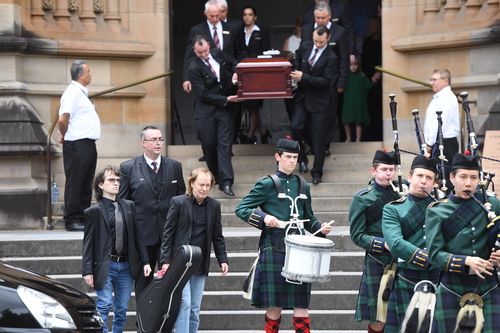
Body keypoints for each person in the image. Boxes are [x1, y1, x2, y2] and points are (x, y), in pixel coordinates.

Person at [235, 139, 332, 333]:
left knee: (302, 305)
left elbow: (309, 217)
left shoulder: (303, 185)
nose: (292, 161)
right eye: (288, 157)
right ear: (277, 157)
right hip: (274, 247)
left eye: (295, 157)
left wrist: (320, 228)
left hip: (300, 249)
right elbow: (242, 208)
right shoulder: (266, 184)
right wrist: (264, 217)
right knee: (274, 306)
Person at [425, 153, 500, 333]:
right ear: (452, 177)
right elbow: (434, 255)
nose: (468, 183)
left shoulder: (493, 204)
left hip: (488, 284)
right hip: (452, 285)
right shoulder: (437, 211)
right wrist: (465, 261)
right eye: (463, 177)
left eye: (474, 177)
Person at [82, 166, 151, 333]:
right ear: (100, 184)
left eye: (118, 180)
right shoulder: (93, 212)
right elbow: (88, 243)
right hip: (105, 264)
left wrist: (146, 261)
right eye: (111, 180)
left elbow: (137, 237)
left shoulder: (129, 206)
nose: (116, 183)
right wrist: (87, 270)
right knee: (104, 304)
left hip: (126, 266)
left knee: (121, 310)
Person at [118, 126, 185, 297]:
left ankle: (165, 321)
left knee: (170, 282)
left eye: (161, 139)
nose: (158, 143)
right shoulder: (128, 168)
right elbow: (124, 203)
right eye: (154, 139)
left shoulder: (174, 166)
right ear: (143, 143)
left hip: (168, 235)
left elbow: (181, 200)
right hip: (142, 235)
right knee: (143, 284)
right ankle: (144, 323)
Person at [160, 167, 228, 333]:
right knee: (185, 303)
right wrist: (165, 261)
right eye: (201, 184)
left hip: (200, 262)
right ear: (192, 183)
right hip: (180, 262)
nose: (204, 188)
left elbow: (217, 236)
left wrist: (223, 259)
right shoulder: (178, 202)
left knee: (195, 307)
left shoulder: (214, 205)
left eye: (208, 185)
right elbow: (168, 234)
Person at [382, 156, 440, 332]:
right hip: (408, 274)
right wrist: (432, 257)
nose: (424, 181)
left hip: (439, 277)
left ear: (434, 183)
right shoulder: (393, 209)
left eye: (429, 178)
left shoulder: (442, 209)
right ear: (410, 176)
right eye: (420, 176)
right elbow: (395, 243)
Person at [349, 150, 400, 333]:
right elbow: (357, 235)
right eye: (384, 169)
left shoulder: (402, 193)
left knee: (399, 314)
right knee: (379, 316)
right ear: (373, 171)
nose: (388, 173)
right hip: (377, 260)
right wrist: (382, 244)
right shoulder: (362, 198)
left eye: (392, 169)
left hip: (403, 259)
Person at [187, 35, 238, 196]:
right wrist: (226, 99)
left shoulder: (217, 53)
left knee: (224, 145)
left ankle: (227, 181)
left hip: (223, 110)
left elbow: (235, 63)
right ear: (194, 50)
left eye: (205, 51)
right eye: (199, 52)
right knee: (209, 144)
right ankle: (215, 174)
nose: (203, 55)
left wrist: (236, 73)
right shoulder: (193, 67)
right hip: (206, 110)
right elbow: (202, 94)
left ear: (209, 45)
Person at [291, 25, 338, 185]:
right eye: (315, 41)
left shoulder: (331, 57)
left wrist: (303, 77)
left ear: (328, 39)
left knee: (319, 140)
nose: (317, 44)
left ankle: (317, 172)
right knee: (295, 127)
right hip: (302, 98)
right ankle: (302, 158)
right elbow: (296, 63)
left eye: (321, 42)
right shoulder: (305, 47)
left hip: (319, 102)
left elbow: (325, 81)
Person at [57, 59, 100, 231]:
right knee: (76, 181)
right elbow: (63, 117)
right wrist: (63, 133)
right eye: (88, 71)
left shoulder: (81, 93)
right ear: (81, 75)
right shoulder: (72, 93)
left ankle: (82, 216)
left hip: (87, 143)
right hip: (77, 143)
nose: (90, 74)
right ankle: (72, 218)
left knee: (85, 181)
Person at [300, 2, 349, 151]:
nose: (320, 20)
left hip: (330, 82)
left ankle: (324, 145)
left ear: (330, 16)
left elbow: (343, 59)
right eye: (317, 17)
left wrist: (341, 83)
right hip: (309, 80)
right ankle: (311, 144)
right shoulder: (307, 29)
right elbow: (302, 53)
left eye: (323, 17)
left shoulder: (339, 32)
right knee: (307, 114)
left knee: (329, 115)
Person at [182, 0, 237, 94]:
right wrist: (186, 78)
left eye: (217, 15)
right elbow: (189, 56)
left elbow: (238, 52)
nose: (215, 19)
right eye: (211, 16)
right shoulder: (197, 30)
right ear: (205, 13)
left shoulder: (232, 28)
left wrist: (237, 71)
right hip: (207, 78)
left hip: (230, 77)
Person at [235, 6, 271, 144]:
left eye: (250, 14)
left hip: (258, 74)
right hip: (243, 73)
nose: (247, 17)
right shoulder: (239, 32)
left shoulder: (262, 32)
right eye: (245, 14)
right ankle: (262, 131)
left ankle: (250, 135)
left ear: (255, 17)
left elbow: (267, 53)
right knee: (247, 105)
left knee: (254, 104)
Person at [423, 69, 460, 192]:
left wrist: (429, 144)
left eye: (434, 79)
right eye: (431, 79)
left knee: (445, 177)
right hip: (436, 142)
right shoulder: (439, 97)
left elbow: (440, 124)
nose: (431, 82)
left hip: (445, 143)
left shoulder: (448, 97)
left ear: (445, 80)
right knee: (437, 176)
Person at [341, 56, 380, 142]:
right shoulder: (345, 77)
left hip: (359, 102)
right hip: (348, 102)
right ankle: (348, 138)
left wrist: (374, 79)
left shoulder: (362, 76)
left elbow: (368, 86)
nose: (353, 66)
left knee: (358, 121)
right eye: (351, 64)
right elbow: (340, 88)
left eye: (355, 64)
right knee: (346, 120)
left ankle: (358, 139)